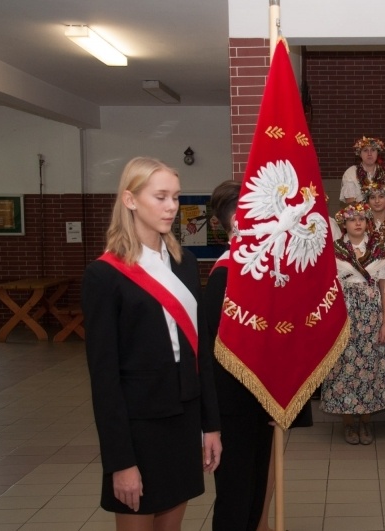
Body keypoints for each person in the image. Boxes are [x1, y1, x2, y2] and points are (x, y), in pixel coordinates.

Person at [82, 156, 221, 530]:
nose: (171, 207)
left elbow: (201, 354)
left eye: (175, 197)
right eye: (160, 197)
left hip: (184, 418)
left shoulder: (184, 263)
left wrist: (210, 426)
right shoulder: (104, 275)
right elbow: (104, 378)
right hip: (138, 426)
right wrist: (120, 462)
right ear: (130, 200)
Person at [201, 180, 273, 531]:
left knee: (256, 492)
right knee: (235, 494)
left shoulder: (256, 270)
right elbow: (214, 352)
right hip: (231, 405)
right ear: (236, 223)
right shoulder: (225, 275)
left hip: (260, 400)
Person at [321, 203, 385, 445]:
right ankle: (348, 423)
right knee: (343, 368)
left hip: (372, 317)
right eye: (352, 219)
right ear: (344, 224)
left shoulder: (378, 250)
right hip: (343, 316)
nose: (357, 223)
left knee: (371, 367)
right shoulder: (334, 250)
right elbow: (326, 288)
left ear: (367, 223)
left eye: (362, 219)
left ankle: (366, 421)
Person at [340, 136, 385, 204]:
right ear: (360, 154)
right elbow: (350, 203)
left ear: (377, 153)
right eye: (365, 150)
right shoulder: (351, 173)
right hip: (359, 211)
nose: (369, 154)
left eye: (373, 150)